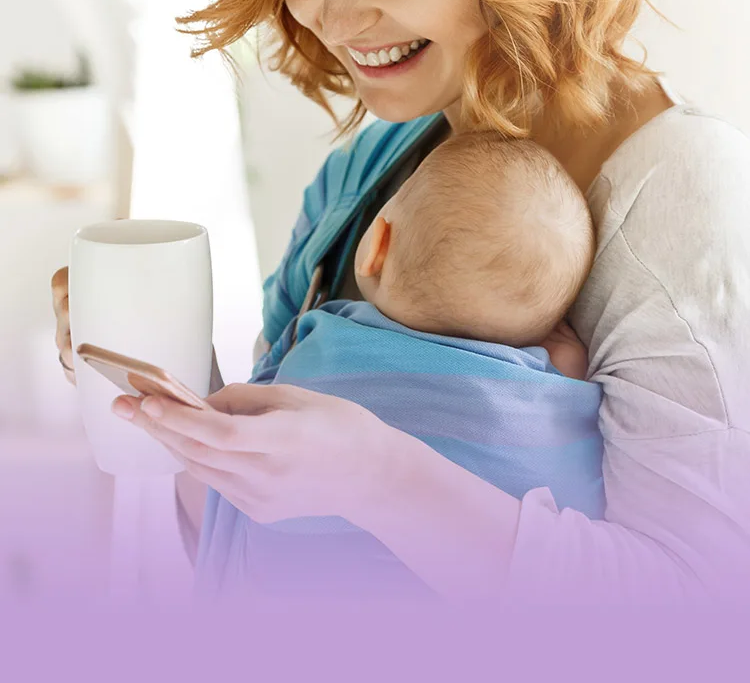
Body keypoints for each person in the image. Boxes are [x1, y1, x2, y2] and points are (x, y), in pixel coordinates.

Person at [51, 0, 750, 603]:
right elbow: (248, 542)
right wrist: (169, 386)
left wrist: (383, 480)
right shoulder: (367, 175)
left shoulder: (678, 195)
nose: (337, 18)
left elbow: (693, 612)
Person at [194, 131, 603, 599]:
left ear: (375, 247)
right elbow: (579, 480)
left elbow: (259, 397)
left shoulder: (325, 337)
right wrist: (567, 372)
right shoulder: (543, 392)